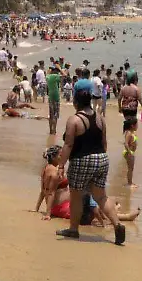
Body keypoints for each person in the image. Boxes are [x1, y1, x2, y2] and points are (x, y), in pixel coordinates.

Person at [54, 79, 124, 244]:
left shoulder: (74, 120)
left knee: (76, 196)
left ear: (75, 100)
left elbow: (68, 144)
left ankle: (73, 229)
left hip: (81, 160)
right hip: (101, 158)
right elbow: (104, 143)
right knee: (101, 196)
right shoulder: (100, 119)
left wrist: (61, 164)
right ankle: (117, 224)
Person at [46, 65, 62, 136]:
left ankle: (50, 130)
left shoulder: (48, 77)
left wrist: (48, 72)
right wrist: (60, 68)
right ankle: (54, 130)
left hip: (50, 97)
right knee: (55, 115)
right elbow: (64, 75)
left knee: (51, 114)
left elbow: (47, 75)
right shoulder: (55, 76)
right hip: (56, 97)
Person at [122, 118, 138, 187]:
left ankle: (130, 182)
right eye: (136, 125)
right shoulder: (128, 133)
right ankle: (129, 183)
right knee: (130, 168)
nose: (137, 126)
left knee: (131, 168)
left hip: (130, 152)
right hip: (129, 152)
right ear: (132, 126)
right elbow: (125, 143)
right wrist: (130, 152)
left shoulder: (131, 133)